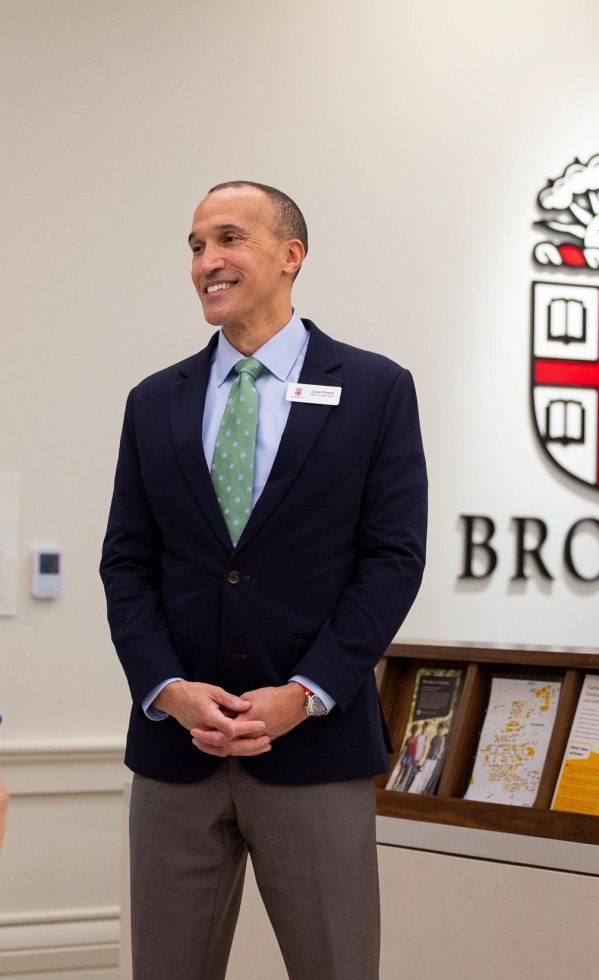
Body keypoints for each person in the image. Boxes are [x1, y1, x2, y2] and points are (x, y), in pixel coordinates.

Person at [100, 180, 428, 980]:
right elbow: (127, 564)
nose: (207, 261)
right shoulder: (153, 402)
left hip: (314, 749)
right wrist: (166, 688)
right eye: (195, 246)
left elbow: (393, 560)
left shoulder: (376, 389)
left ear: (291, 255)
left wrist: (306, 692)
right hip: (177, 754)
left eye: (227, 240)